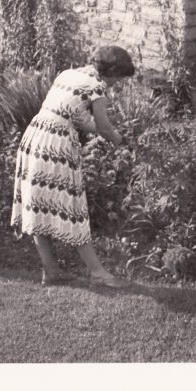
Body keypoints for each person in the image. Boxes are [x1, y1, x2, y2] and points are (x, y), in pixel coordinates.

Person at [10, 45, 135, 288]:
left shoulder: (68, 74)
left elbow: (74, 117)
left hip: (34, 137)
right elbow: (104, 126)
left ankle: (51, 271)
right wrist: (121, 141)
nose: (116, 85)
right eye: (118, 80)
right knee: (73, 207)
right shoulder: (97, 86)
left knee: (38, 204)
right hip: (56, 145)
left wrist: (103, 134)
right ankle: (98, 273)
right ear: (111, 73)